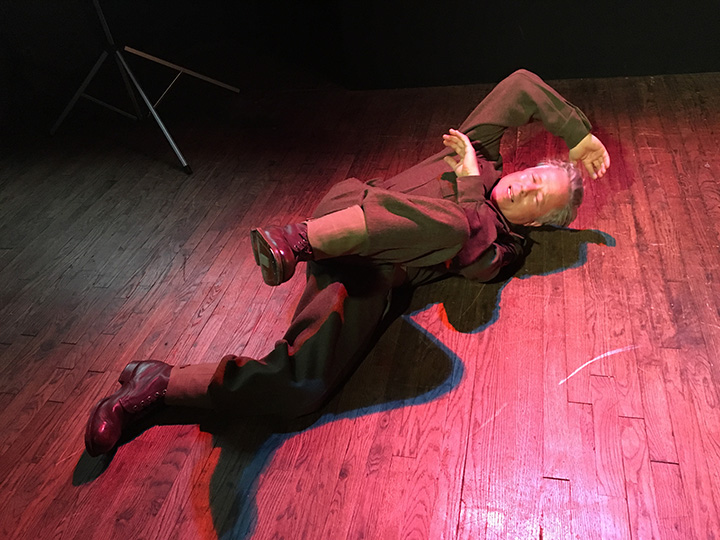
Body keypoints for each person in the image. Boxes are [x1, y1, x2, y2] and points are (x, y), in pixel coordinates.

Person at [84, 69, 610, 456]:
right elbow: (519, 86)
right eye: (535, 177)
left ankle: (158, 384)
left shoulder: (504, 245)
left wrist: (469, 183)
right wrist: (577, 133)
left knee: (303, 388)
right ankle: (295, 238)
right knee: (452, 225)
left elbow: (475, 273)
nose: (526, 188)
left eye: (538, 200)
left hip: (367, 275)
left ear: (536, 223)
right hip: (347, 214)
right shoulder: (484, 151)